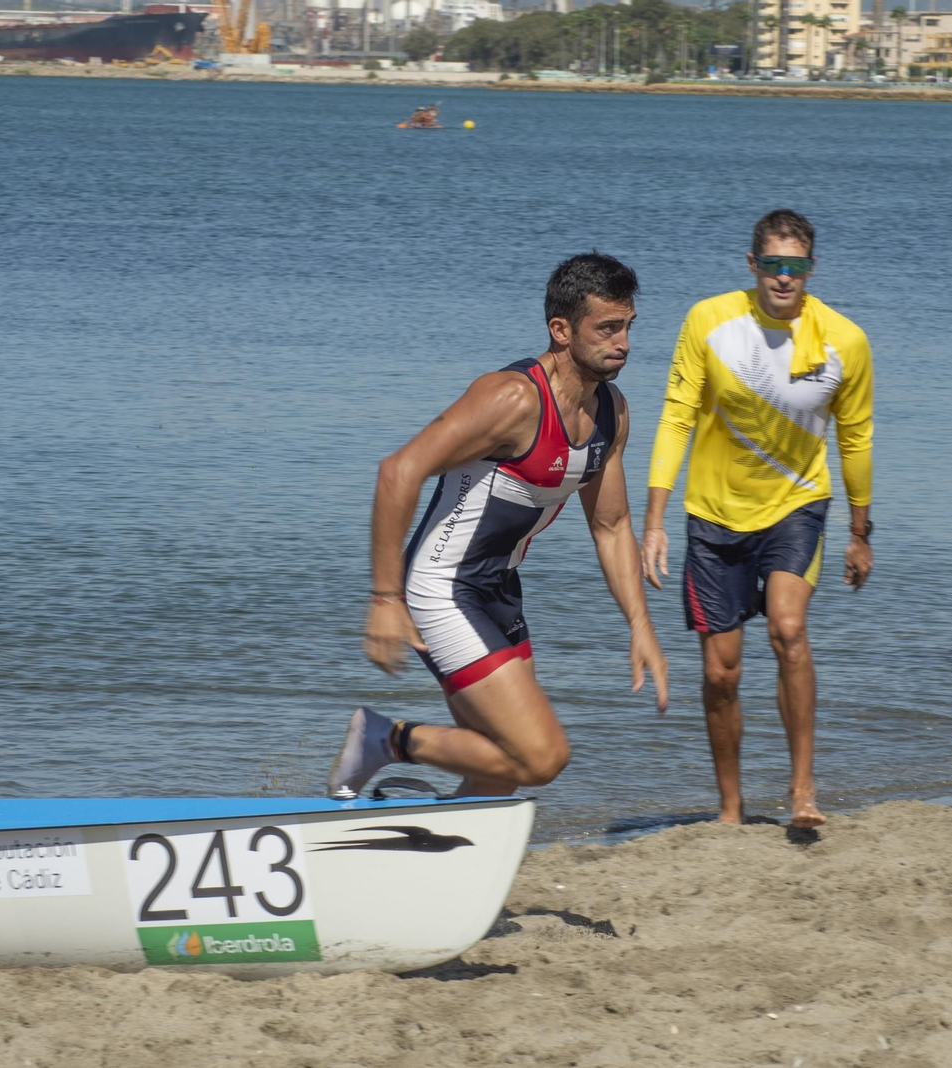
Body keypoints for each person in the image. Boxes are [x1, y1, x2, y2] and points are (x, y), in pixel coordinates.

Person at [328, 253, 669, 800]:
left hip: (497, 589)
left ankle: (428, 855)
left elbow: (612, 525)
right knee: (539, 756)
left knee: (495, 777)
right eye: (607, 328)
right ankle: (385, 740)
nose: (624, 342)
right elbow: (399, 471)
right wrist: (385, 599)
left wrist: (640, 625)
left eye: (628, 326)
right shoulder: (510, 400)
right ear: (561, 330)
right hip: (442, 588)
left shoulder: (613, 413)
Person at [641, 209, 874, 828]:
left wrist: (860, 531)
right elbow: (676, 416)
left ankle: (802, 794)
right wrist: (655, 518)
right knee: (721, 672)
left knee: (788, 630)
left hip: (797, 505)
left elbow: (856, 437)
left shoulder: (843, 341)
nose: (784, 278)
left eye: (795, 267)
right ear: (753, 266)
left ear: (811, 270)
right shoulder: (709, 321)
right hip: (714, 514)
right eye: (773, 265)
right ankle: (730, 808)